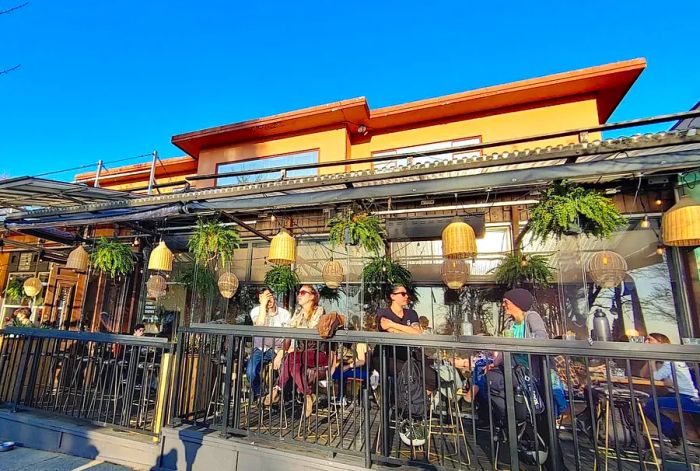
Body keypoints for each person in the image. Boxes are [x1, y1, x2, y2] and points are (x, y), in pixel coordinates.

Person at [264, 285, 326, 417]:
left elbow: (311, 329)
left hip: (317, 352)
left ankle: (277, 390)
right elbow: (289, 331)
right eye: (299, 292)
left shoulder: (319, 310)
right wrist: (281, 353)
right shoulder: (298, 312)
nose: (299, 295)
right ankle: (307, 395)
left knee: (292, 357)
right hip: (302, 353)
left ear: (312, 296)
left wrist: (294, 331)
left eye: (303, 293)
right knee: (292, 364)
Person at [641, 332, 700, 446]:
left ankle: (674, 432)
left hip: (687, 397)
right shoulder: (664, 359)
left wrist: (652, 360)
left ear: (661, 343)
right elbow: (643, 374)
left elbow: (655, 377)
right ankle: (673, 433)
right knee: (647, 400)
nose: (646, 342)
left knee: (649, 405)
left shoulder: (670, 359)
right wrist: (650, 360)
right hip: (676, 394)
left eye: (650, 340)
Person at [246, 288, 291, 399]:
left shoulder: (284, 314)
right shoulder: (256, 311)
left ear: (274, 296)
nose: (268, 299)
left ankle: (275, 396)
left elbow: (289, 337)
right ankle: (261, 395)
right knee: (251, 372)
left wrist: (280, 355)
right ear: (260, 299)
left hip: (278, 349)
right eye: (264, 297)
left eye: (269, 296)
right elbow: (259, 326)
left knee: (285, 370)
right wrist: (263, 306)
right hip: (260, 348)